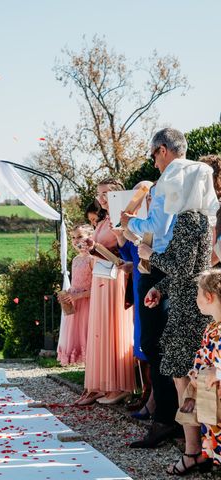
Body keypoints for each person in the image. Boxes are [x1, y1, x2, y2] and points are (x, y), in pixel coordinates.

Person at [138, 159, 218, 474]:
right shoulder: (203, 219)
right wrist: (160, 287)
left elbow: (184, 269)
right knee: (195, 377)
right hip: (191, 302)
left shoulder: (187, 220)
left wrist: (150, 256)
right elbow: (192, 269)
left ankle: (192, 450)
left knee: (183, 377)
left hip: (187, 310)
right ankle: (203, 448)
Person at [121, 128, 186, 448]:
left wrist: (129, 222)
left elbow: (157, 227)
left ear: (162, 150)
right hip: (178, 269)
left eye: (152, 155)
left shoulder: (166, 184)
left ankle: (165, 419)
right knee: (164, 344)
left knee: (156, 344)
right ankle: (172, 418)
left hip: (159, 268)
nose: (153, 163)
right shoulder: (190, 181)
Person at [79, 178, 135, 406]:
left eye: (107, 194)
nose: (101, 198)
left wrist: (100, 246)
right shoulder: (103, 220)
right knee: (101, 329)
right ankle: (102, 383)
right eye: (99, 194)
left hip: (116, 279)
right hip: (102, 277)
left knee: (113, 328)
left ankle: (118, 385)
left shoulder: (121, 219)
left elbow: (124, 253)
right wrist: (92, 248)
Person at [113, 181, 154, 417]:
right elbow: (129, 255)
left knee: (149, 340)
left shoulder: (151, 223)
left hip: (150, 285)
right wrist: (121, 237)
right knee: (140, 340)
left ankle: (151, 397)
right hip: (139, 283)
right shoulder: (136, 224)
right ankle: (146, 393)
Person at [180, 269, 221, 470]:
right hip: (211, 397)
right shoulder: (211, 328)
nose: (196, 298)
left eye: (197, 293)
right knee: (213, 431)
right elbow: (203, 354)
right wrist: (196, 372)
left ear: (209, 297)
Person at [56, 224, 93, 366]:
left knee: (87, 336)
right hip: (75, 305)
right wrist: (67, 294)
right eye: (73, 237)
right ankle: (87, 377)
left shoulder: (92, 259)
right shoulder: (76, 259)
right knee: (78, 338)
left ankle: (92, 374)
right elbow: (75, 284)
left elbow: (97, 288)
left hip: (87, 304)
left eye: (80, 236)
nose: (75, 240)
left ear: (90, 237)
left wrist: (79, 296)